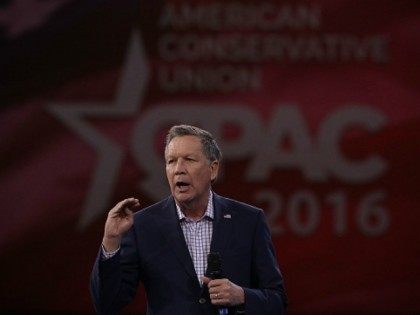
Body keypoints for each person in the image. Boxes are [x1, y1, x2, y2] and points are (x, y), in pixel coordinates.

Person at [90, 125, 287, 315]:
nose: (178, 169)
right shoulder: (142, 226)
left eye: (189, 160)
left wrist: (242, 296)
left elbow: (277, 300)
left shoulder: (248, 221)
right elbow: (107, 304)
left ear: (213, 169)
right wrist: (110, 241)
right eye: (171, 161)